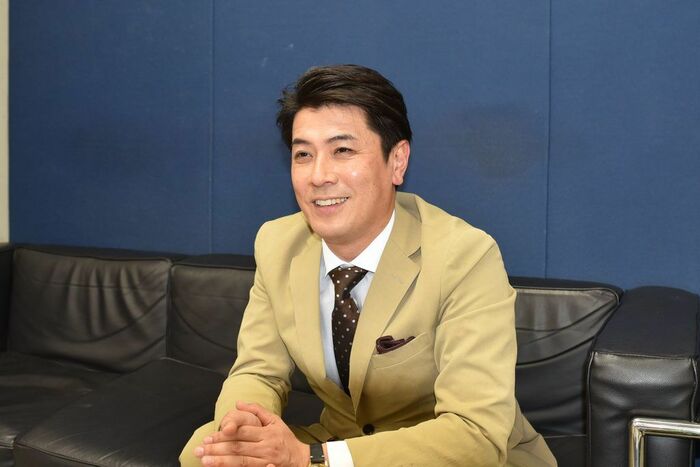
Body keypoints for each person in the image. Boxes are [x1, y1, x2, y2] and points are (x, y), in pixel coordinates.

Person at [180, 64, 556, 467]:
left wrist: (313, 459)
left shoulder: (465, 256)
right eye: (303, 154)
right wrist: (243, 430)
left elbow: (475, 433)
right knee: (206, 453)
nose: (319, 176)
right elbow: (258, 372)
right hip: (339, 442)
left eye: (342, 151)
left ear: (397, 161)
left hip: (445, 454)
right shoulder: (277, 244)